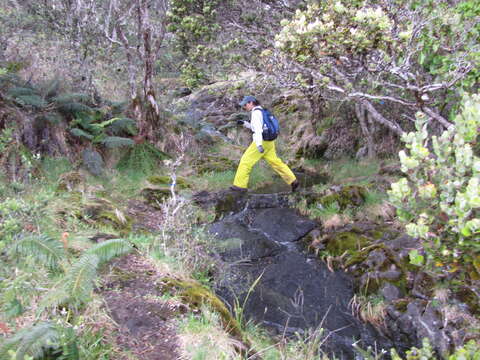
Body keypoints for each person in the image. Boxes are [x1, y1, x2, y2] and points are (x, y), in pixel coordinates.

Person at [230, 95, 299, 192]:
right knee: (276, 162)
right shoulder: (263, 111)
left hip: (261, 141)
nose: (244, 107)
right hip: (269, 142)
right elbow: (258, 127)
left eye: (245, 104)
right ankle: (293, 180)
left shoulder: (255, 113)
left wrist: (258, 145)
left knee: (245, 161)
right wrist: (245, 124)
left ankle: (240, 186)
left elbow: (258, 130)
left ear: (251, 102)